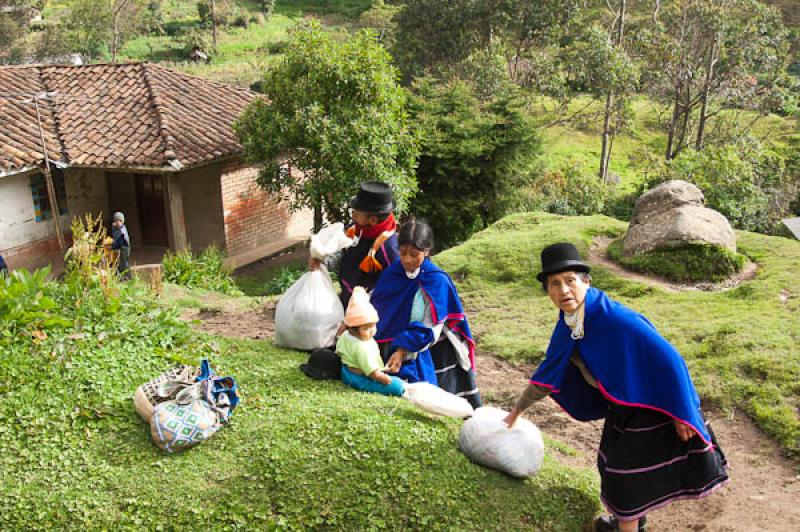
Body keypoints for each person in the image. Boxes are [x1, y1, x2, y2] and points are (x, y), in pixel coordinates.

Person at [504, 243, 728, 532]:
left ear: (587, 281)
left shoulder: (616, 319)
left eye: (570, 281)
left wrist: (682, 411)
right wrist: (516, 412)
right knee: (608, 463)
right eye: (554, 284)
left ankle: (629, 526)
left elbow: (671, 360)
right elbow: (549, 371)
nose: (563, 291)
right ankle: (634, 519)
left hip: (651, 405)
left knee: (625, 478)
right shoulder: (571, 321)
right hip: (622, 405)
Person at [370, 219, 482, 408]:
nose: (406, 260)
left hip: (426, 346)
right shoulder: (393, 272)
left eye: (414, 255)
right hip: (388, 344)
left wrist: (402, 350)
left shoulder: (435, 280)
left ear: (427, 251)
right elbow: (376, 305)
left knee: (433, 398)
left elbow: (430, 327)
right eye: (403, 253)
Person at [309, 182, 400, 308]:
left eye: (356, 214)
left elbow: (392, 290)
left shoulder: (388, 250)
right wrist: (321, 260)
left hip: (366, 310)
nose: (353, 217)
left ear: (372, 220)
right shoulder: (355, 229)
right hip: (346, 298)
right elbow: (341, 250)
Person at [337, 286, 406, 397]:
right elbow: (373, 373)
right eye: (366, 328)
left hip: (346, 372)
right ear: (354, 329)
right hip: (360, 377)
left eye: (373, 326)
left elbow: (339, 350)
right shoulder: (362, 347)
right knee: (397, 386)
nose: (372, 331)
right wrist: (385, 379)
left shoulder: (345, 335)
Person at [110, 212, 131, 279]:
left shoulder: (122, 231)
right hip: (120, 248)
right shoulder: (117, 228)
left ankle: (127, 277)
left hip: (124, 248)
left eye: (119, 221)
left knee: (124, 263)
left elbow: (119, 241)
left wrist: (113, 246)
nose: (117, 223)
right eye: (115, 221)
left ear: (122, 221)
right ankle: (120, 276)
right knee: (118, 263)